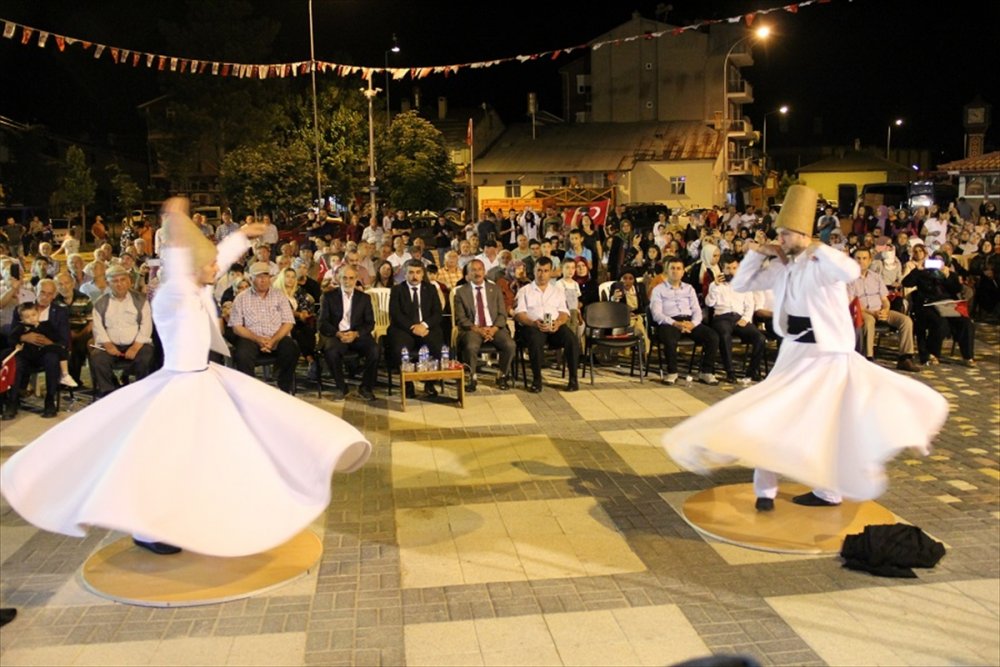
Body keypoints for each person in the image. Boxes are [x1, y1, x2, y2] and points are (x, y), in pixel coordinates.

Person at [0, 198, 371, 557]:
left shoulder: (197, 287)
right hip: (179, 386)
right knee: (168, 460)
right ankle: (151, 528)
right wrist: (177, 224)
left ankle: (195, 518)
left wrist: (241, 237)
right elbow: (185, 267)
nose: (216, 268)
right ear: (190, 267)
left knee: (210, 455)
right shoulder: (174, 294)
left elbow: (212, 260)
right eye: (208, 265)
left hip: (203, 380)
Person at [662, 186, 949, 512]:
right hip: (794, 350)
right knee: (773, 411)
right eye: (779, 234)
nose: (780, 239)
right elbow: (741, 284)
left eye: (785, 234)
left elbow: (850, 270)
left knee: (826, 421)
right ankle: (766, 490)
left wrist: (816, 246)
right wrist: (759, 254)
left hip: (827, 353)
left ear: (802, 234)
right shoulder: (784, 265)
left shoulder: (822, 262)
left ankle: (827, 490)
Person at [229, 262, 299, 393]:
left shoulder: (279, 296)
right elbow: (236, 327)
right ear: (251, 279)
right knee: (242, 354)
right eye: (259, 276)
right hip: (252, 338)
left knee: (291, 348)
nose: (263, 280)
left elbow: (288, 322)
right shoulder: (241, 298)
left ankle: (284, 387)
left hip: (276, 337)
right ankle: (249, 390)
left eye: (266, 276)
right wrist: (258, 339)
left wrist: (273, 340)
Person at [514, 257, 580, 393]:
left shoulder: (557, 291)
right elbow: (519, 314)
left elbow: (564, 312)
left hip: (554, 326)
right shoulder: (525, 291)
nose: (542, 274)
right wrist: (533, 323)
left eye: (545, 271)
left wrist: (558, 322)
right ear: (534, 271)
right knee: (535, 340)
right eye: (539, 270)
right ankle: (537, 380)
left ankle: (573, 379)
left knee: (571, 339)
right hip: (533, 326)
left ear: (550, 272)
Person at [649, 257, 719, 385]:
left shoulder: (689, 289)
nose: (675, 271)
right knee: (670, 339)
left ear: (683, 272)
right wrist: (675, 323)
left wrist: (693, 324)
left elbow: (697, 310)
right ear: (667, 271)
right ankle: (672, 372)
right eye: (672, 268)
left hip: (689, 321)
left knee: (712, 336)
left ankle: (706, 372)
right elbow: (657, 314)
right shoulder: (658, 290)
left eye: (678, 269)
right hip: (669, 322)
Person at [89, 265, 154, 398]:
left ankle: (143, 392)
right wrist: (109, 346)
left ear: (129, 281)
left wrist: (135, 347)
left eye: (123, 280)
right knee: (97, 357)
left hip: (137, 345)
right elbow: (98, 328)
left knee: (146, 355)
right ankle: (108, 393)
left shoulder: (140, 300)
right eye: (115, 281)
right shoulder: (100, 303)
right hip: (111, 345)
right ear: (108, 284)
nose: (119, 284)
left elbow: (146, 325)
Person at [848, 248, 919, 371]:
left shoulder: (876, 277)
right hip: (862, 311)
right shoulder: (849, 279)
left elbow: (885, 299)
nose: (861, 261)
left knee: (906, 320)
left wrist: (885, 309)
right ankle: (868, 358)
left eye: (864, 258)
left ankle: (905, 358)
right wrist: (872, 313)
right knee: (869, 321)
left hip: (880, 310)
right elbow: (852, 303)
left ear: (870, 260)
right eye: (858, 258)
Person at [453, 258, 515, 391]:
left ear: (484, 271)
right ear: (468, 273)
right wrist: (478, 330)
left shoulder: (495, 289)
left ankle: (502, 375)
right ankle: (472, 377)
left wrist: (493, 329)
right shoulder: (461, 292)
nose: (477, 273)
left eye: (480, 269)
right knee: (471, 346)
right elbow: (461, 318)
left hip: (494, 328)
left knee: (510, 345)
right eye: (473, 270)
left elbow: (502, 314)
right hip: (473, 329)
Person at [318, 265, 378, 402]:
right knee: (331, 351)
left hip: (357, 335)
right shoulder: (328, 297)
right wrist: (338, 334)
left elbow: (370, 323)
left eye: (351, 278)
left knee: (375, 350)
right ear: (339, 279)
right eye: (344, 278)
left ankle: (366, 387)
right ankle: (341, 387)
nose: (347, 281)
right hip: (337, 334)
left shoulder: (364, 298)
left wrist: (356, 334)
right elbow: (322, 323)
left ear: (356, 279)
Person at [388, 260, 444, 399]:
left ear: (423, 274)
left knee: (437, 345)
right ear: (405, 274)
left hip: (426, 328)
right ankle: (408, 384)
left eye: (418, 272)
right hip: (404, 329)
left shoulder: (430, 289)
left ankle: (430, 383)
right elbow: (395, 313)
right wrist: (413, 327)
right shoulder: (397, 290)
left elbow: (437, 313)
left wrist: (424, 325)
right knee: (400, 348)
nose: (414, 276)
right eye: (411, 272)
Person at [705, 255, 765, 383]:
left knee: (760, 338)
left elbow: (750, 305)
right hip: (721, 317)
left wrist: (746, 318)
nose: (731, 271)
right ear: (722, 269)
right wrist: (715, 286)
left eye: (734, 268)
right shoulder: (715, 285)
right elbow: (709, 303)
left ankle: (752, 371)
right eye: (728, 268)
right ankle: (730, 372)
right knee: (725, 335)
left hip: (739, 317)